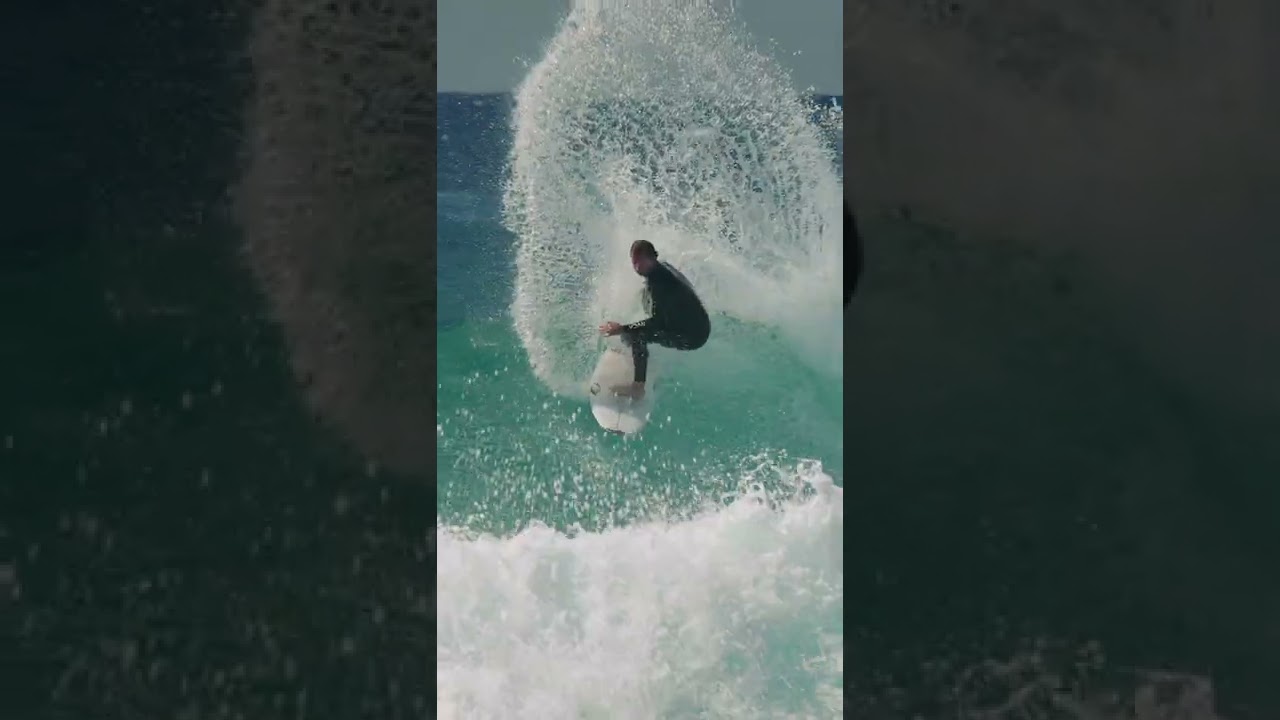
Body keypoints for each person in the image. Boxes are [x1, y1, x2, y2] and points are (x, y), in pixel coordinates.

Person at [598, 240, 710, 399]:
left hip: (692, 336)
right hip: (697, 322)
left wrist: (622, 328)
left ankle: (638, 388)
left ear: (651, 258)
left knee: (636, 334)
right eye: (634, 262)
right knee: (643, 295)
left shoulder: (660, 285)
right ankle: (639, 355)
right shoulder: (661, 268)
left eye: (641, 261)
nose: (637, 267)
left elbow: (656, 323)